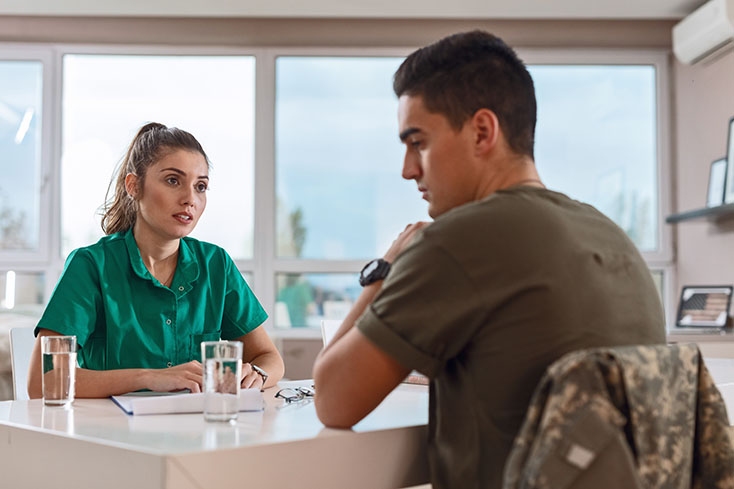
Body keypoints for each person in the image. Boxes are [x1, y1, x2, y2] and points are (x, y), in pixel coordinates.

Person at [313, 30, 665, 489]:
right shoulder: (612, 235)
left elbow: (332, 399)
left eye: (417, 142)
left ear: (482, 131)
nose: (407, 169)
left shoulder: (456, 241)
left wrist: (387, 267)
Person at [28, 122, 284, 398]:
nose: (190, 199)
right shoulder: (90, 265)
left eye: (201, 186)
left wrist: (256, 374)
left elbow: (268, 357)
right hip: (110, 435)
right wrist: (151, 378)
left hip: (200, 433)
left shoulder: (216, 264)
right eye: (173, 180)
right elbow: (44, 380)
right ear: (134, 185)